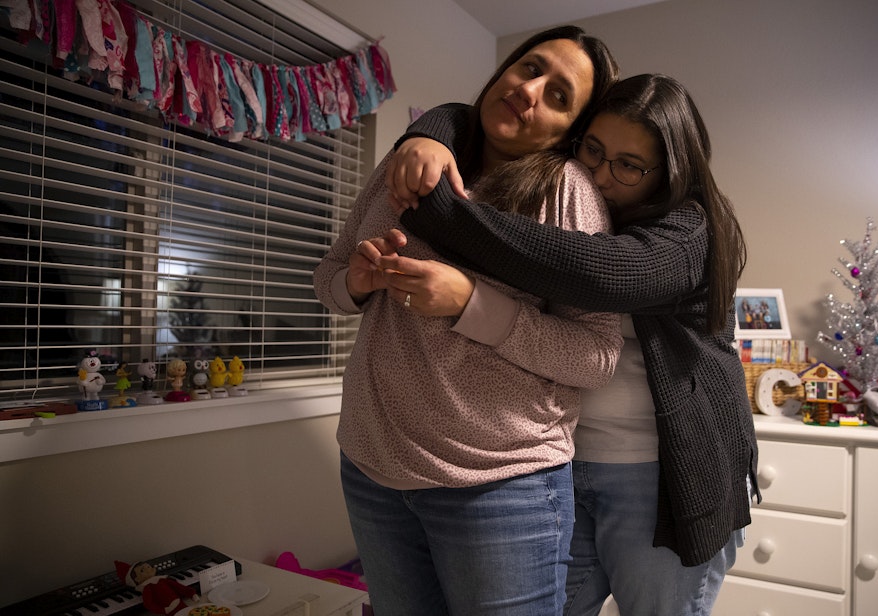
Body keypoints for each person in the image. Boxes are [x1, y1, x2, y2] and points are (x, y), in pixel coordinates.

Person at [373, 74, 760, 616]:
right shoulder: (571, 198)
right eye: (593, 150)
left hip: (661, 479)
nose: (599, 175)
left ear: (669, 172)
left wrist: (436, 207)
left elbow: (597, 273)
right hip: (564, 466)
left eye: (627, 165)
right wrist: (432, 132)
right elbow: (479, 116)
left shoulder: (690, 231)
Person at [313, 26, 621, 616]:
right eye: (529, 69)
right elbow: (328, 277)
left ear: (569, 131)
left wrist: (468, 304)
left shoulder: (566, 193)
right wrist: (356, 281)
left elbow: (596, 355)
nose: (530, 92)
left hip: (501, 488)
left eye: (558, 96)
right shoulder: (405, 163)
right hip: (372, 468)